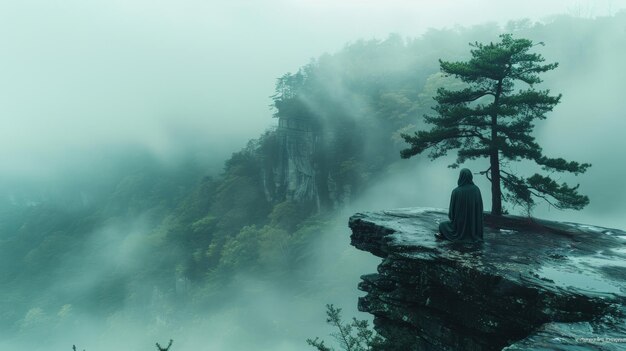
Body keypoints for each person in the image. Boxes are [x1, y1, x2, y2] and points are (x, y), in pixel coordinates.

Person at [437, 168, 484, 242]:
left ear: (460, 177)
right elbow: (480, 209)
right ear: (471, 177)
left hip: (458, 227)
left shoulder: (456, 191)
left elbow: (451, 213)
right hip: (474, 228)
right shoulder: (476, 190)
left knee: (442, 225)